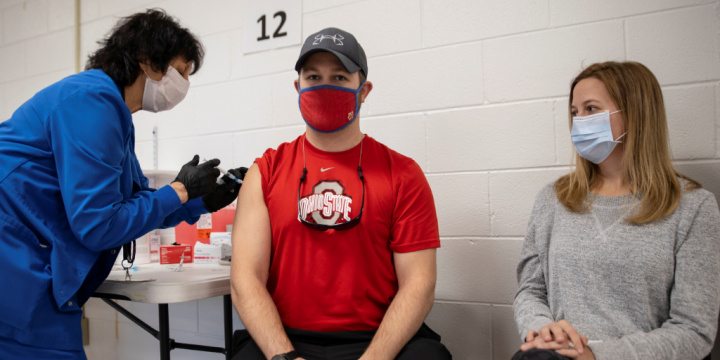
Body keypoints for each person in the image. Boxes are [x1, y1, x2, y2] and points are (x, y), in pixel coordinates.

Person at [0, 9, 245, 359]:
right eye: (181, 71)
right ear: (146, 60)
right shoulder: (91, 102)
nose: (184, 85)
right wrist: (179, 189)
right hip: (14, 267)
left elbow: (136, 205)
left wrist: (201, 201)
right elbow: (99, 225)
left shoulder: (111, 111)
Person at [230, 27, 452, 360]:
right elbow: (245, 278)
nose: (324, 86)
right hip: (287, 339)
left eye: (339, 78)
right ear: (298, 87)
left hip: (377, 340)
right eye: (313, 76)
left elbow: (419, 286)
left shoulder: (403, 174)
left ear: (363, 91)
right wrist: (286, 357)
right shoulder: (266, 171)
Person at [512, 61, 720, 360]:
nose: (579, 121)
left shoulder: (693, 207)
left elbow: (694, 331)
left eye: (591, 109)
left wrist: (595, 354)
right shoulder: (553, 199)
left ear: (634, 113)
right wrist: (544, 331)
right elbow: (530, 291)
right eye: (574, 112)